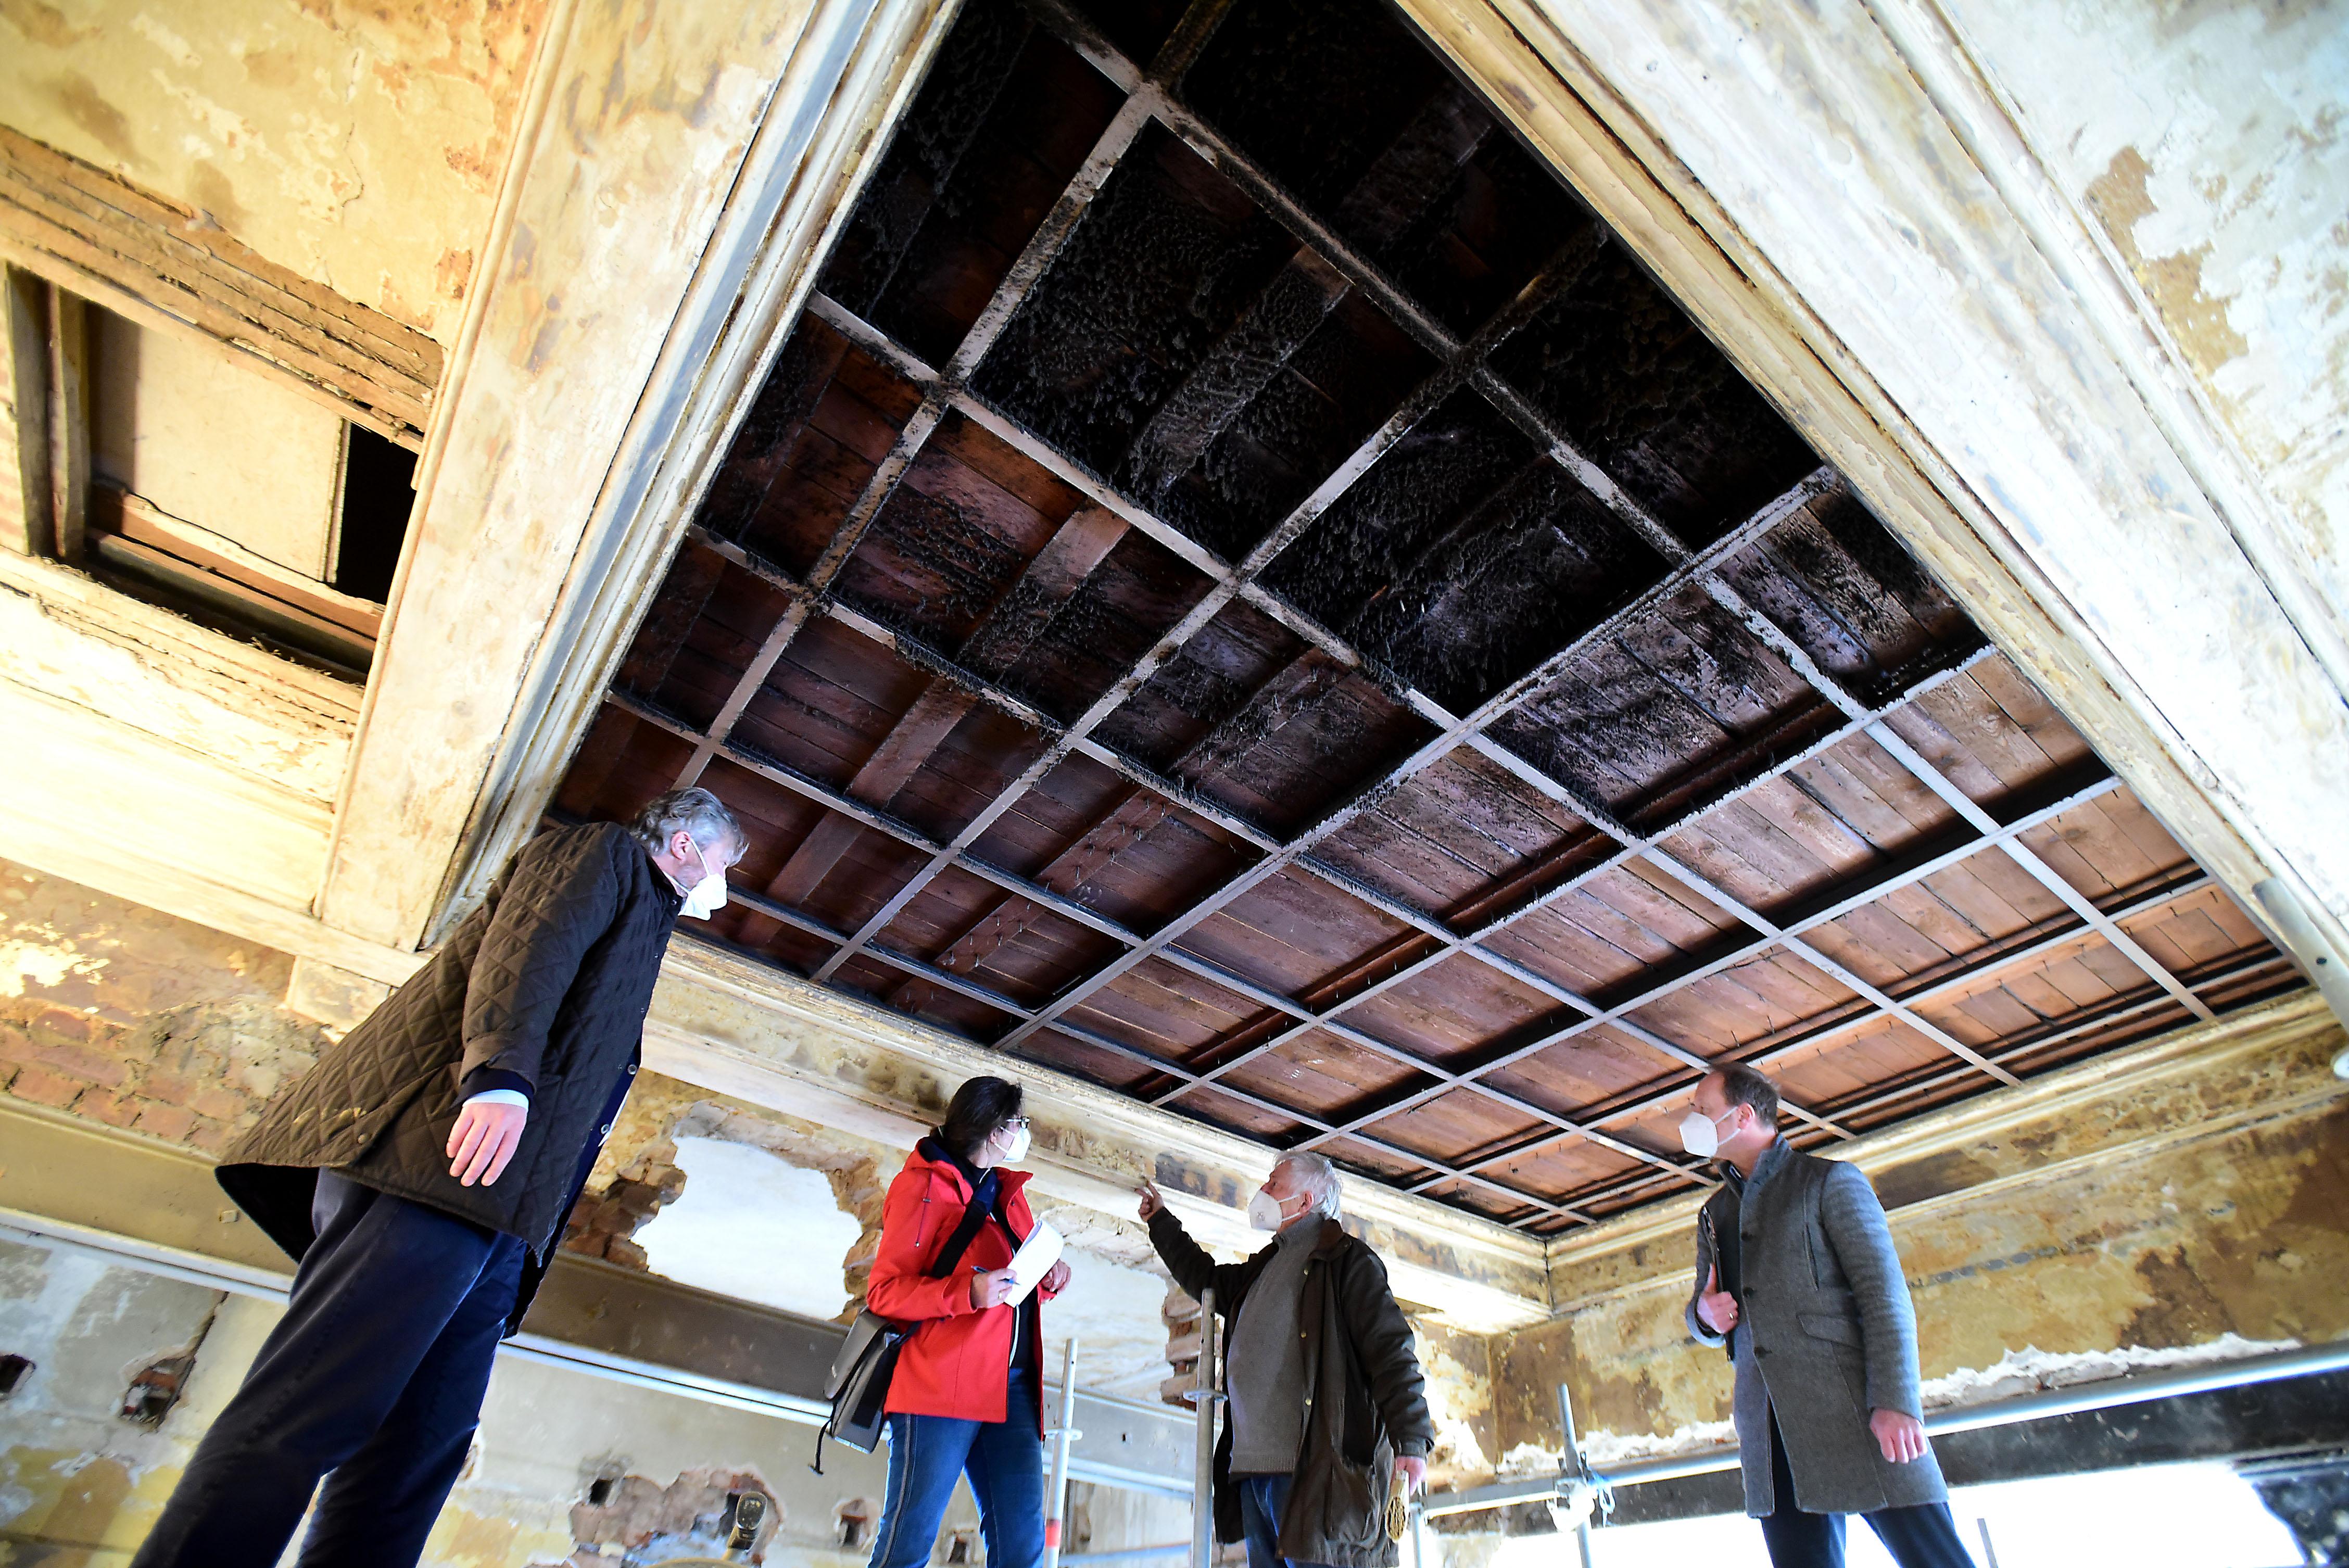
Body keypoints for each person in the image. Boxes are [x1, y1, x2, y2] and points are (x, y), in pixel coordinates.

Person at [130, 788, 746, 1568]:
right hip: (440, 1169)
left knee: (417, 1456)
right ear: (686, 845)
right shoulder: (603, 854)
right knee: (311, 1405)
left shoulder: (646, 922)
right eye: (725, 863)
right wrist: (499, 1076)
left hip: (502, 1216)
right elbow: (531, 946)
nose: (723, 885)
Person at [1684, 1064, 1974, 1568]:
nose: (1691, 1121)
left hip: (1855, 1409)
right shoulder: (1715, 1214)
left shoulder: (1829, 1182)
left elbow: (1884, 1295)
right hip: (1769, 1429)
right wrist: (1704, 1317)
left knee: (1936, 1559)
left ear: (1743, 1115)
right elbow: (1702, 1314)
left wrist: (1896, 1400)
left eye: (1702, 1110)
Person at [1137, 1154, 1434, 1568]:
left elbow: (1391, 1352)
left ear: (1305, 1201)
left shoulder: (1347, 1262)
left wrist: (1412, 1441)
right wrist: (1160, 1221)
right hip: (1255, 1473)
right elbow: (1207, 1280)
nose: (1263, 1191)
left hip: (1313, 1475)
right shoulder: (1265, 1268)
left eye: (1274, 1184)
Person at [864, 1075, 1073, 1568]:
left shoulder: (1006, 1193)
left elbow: (1014, 1282)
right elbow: (885, 1293)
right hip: (940, 1386)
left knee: (1023, 1551)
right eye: (1019, 1123)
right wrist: (968, 1292)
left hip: (1013, 1387)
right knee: (908, 1545)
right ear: (995, 1132)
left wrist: (1047, 1279)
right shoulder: (922, 1187)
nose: (1023, 1133)